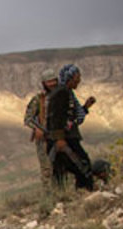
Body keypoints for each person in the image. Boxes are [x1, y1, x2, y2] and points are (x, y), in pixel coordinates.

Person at [46, 63, 96, 191]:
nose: (79, 80)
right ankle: (84, 191)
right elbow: (56, 117)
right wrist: (60, 139)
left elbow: (71, 117)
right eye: (77, 77)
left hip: (67, 137)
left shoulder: (66, 93)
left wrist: (85, 107)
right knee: (81, 164)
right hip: (64, 139)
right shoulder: (61, 93)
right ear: (70, 78)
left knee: (65, 168)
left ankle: (72, 193)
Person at [24, 69, 59, 190]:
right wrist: (37, 129)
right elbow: (28, 119)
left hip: (61, 137)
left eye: (54, 81)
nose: (52, 84)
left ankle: (63, 191)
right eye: (49, 82)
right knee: (47, 169)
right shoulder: (39, 99)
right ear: (44, 83)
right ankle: (49, 195)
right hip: (44, 140)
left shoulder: (62, 96)